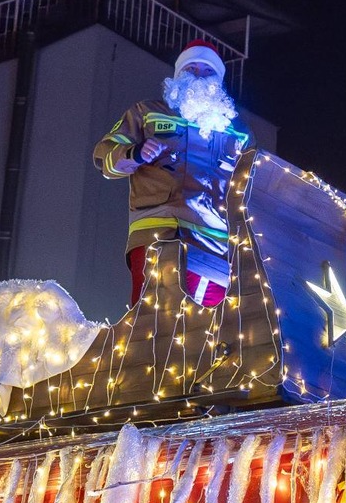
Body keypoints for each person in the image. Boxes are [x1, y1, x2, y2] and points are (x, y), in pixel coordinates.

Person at [93, 41, 250, 307]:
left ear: (219, 80)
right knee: (153, 321)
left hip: (216, 249)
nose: (199, 75)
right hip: (158, 232)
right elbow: (103, 155)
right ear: (178, 74)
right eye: (192, 68)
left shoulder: (238, 131)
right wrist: (135, 153)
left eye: (208, 70)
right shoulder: (147, 112)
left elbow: (256, 185)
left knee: (209, 328)